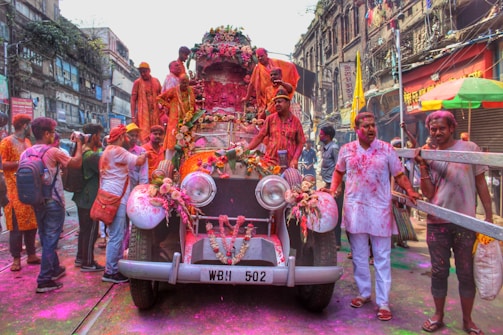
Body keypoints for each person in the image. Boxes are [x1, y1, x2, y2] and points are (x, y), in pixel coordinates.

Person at [324, 112, 420, 321]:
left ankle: (383, 302)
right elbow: (339, 171)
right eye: (365, 126)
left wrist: (410, 191)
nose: (370, 129)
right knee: (358, 255)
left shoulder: (386, 149)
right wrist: (334, 189)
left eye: (373, 125)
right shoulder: (346, 150)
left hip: (380, 210)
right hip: (355, 208)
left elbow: (399, 174)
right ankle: (364, 293)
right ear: (356, 129)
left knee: (382, 257)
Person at [414, 110, 492, 335]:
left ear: (451, 128)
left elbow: (481, 184)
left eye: (441, 128)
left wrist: (487, 216)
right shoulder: (428, 154)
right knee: (439, 271)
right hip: (437, 222)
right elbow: (428, 194)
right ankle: (438, 315)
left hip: (465, 222)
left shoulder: (470, 149)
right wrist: (422, 164)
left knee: (466, 273)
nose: (437, 133)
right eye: (433, 129)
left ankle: (468, 320)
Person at [25, 117, 83, 293]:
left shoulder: (26, 153)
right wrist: (79, 144)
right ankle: (44, 280)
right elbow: (76, 163)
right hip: (54, 201)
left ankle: (54, 268)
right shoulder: (52, 151)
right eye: (52, 132)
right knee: (51, 240)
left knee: (45, 236)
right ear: (47, 133)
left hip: (36, 200)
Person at [100, 125, 147, 284]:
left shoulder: (107, 151)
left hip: (109, 196)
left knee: (116, 234)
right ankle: (111, 272)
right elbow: (139, 160)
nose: (128, 139)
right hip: (117, 199)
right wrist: (146, 153)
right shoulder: (118, 150)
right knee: (116, 236)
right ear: (120, 137)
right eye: (126, 136)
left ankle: (113, 268)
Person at [0, 114, 40, 272]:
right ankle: (16, 259)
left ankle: (31, 254)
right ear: (24, 125)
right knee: (16, 228)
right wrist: (20, 163)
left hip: (29, 189)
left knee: (32, 225)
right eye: (29, 125)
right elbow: (2, 164)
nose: (31, 129)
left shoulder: (28, 142)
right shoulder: (6, 142)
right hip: (14, 192)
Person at [73, 123, 105, 272]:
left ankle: (81, 257)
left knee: (84, 230)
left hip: (81, 198)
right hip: (89, 199)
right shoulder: (91, 156)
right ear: (93, 137)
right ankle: (88, 262)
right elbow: (104, 168)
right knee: (91, 230)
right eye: (100, 135)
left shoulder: (82, 152)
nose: (101, 138)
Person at [247, 89, 305, 168]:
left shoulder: (296, 122)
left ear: (288, 103)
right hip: (270, 163)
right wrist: (246, 151)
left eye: (280, 102)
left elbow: (301, 142)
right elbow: (259, 137)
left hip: (288, 165)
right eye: (275, 102)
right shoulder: (270, 119)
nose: (277, 104)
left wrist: (295, 159)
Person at [242, 48, 300, 117]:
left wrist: (282, 83)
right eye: (258, 57)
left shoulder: (282, 87)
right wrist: (247, 98)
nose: (260, 58)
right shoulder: (258, 69)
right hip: (265, 100)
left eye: (262, 56)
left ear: (266, 55)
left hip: (277, 101)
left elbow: (290, 67)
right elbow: (251, 84)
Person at [157, 75, 195, 161]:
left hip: (187, 121)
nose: (185, 85)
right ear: (179, 82)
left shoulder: (190, 91)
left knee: (187, 141)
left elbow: (193, 105)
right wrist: (169, 106)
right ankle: (170, 164)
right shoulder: (174, 90)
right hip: (175, 120)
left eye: (186, 83)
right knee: (172, 141)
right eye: (183, 83)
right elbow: (159, 98)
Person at [130, 62, 162, 143]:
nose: (143, 74)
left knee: (156, 132)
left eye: (144, 71)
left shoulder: (156, 81)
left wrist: (163, 109)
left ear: (149, 71)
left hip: (155, 113)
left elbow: (161, 96)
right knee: (144, 135)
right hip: (143, 115)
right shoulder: (137, 82)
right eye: (141, 72)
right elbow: (133, 99)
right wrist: (133, 116)